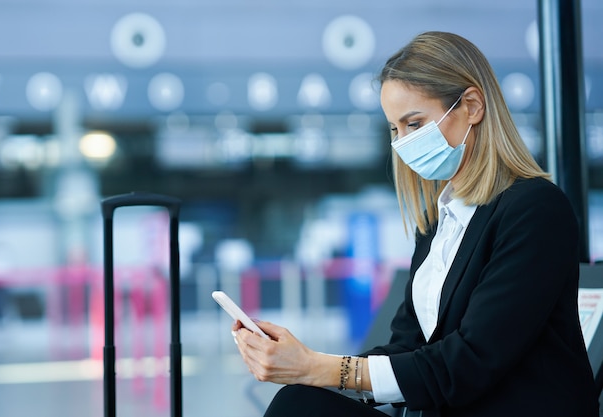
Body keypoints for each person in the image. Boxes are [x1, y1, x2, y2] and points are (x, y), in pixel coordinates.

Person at [231, 31, 599, 417]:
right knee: (301, 401)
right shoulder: (439, 222)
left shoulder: (535, 210)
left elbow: (468, 362)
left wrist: (317, 367)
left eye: (415, 123)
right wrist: (304, 363)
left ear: (472, 106)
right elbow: (408, 346)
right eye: (395, 129)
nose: (403, 142)